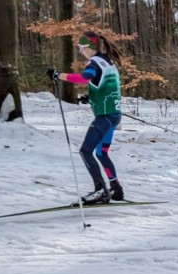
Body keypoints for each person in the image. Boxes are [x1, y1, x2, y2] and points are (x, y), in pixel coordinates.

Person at [48, 32, 125, 204]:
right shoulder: (107, 61)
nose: (81, 51)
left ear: (90, 48)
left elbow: (84, 78)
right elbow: (105, 84)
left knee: (85, 151)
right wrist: (90, 98)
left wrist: (59, 75)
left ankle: (100, 190)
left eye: (82, 48)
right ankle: (116, 188)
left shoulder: (95, 63)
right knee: (101, 153)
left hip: (105, 118)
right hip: (113, 116)